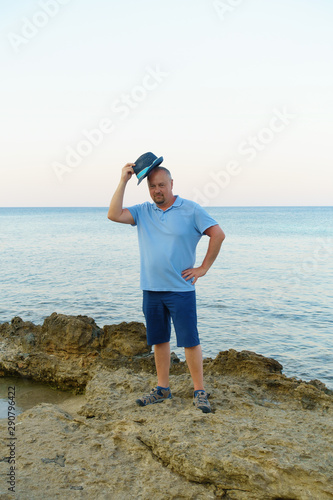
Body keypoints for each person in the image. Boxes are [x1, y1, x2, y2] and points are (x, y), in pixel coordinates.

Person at [107, 153, 225, 413]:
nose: (157, 190)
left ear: (172, 184)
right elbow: (113, 214)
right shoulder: (143, 211)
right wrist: (123, 181)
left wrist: (203, 268)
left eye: (162, 184)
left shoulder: (191, 209)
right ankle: (162, 389)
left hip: (181, 289)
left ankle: (199, 391)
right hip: (151, 289)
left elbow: (217, 234)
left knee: (190, 341)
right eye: (152, 186)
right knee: (159, 340)